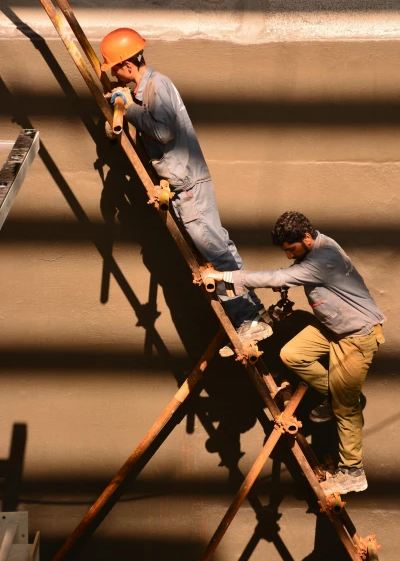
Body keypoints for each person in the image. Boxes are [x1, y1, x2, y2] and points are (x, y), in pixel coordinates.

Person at [99, 27, 272, 355]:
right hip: (183, 186)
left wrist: (128, 108)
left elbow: (163, 132)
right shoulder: (146, 89)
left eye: (115, 69)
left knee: (216, 254)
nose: (116, 76)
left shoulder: (156, 86)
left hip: (189, 186)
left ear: (125, 65)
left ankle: (249, 320)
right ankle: (254, 313)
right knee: (220, 248)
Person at [206, 211, 386, 495]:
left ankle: (353, 473)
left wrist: (223, 276)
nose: (289, 256)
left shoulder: (325, 258)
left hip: (355, 337)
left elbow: (276, 275)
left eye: (291, 250)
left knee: (344, 407)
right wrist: (290, 276)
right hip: (332, 328)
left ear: (305, 238)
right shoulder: (319, 244)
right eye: (286, 251)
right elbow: (293, 273)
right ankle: (332, 393)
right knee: (292, 355)